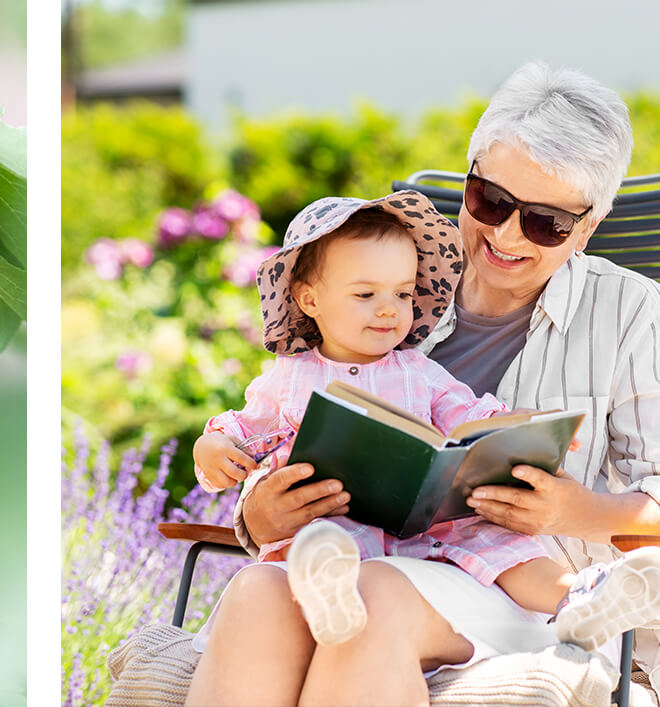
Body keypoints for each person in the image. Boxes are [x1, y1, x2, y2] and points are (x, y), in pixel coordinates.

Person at [186, 62, 660, 706]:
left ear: (590, 225)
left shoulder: (635, 316)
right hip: (362, 560)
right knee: (256, 593)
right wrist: (258, 510)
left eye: (546, 222)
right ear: (468, 181)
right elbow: (266, 430)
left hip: (529, 590)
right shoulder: (393, 279)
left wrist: (575, 510)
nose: (505, 234)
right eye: (490, 200)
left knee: (372, 594)